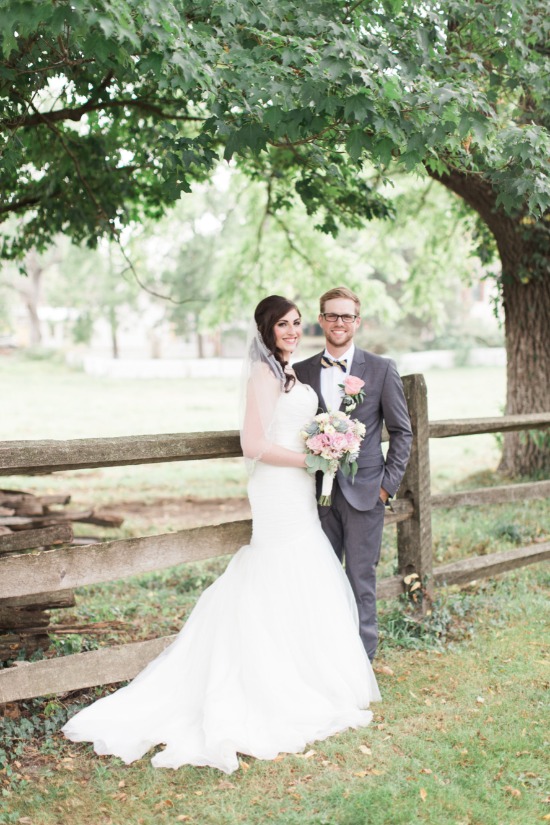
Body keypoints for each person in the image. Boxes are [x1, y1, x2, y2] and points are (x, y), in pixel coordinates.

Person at [62, 295, 380, 774]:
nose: (292, 331)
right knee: (277, 564)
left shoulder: (289, 371)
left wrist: (323, 441)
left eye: (296, 323)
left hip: (296, 486)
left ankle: (301, 672)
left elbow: (290, 428)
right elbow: (253, 444)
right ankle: (264, 683)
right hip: (277, 487)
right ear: (266, 330)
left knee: (302, 566)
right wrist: (314, 458)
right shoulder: (263, 374)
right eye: (283, 325)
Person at [294, 287, 413, 663]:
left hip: (366, 493)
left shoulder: (381, 369)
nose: (339, 322)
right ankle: (327, 657)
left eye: (347, 316)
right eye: (332, 315)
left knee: (362, 579)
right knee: (322, 578)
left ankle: (364, 660)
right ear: (321, 319)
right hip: (316, 495)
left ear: (357, 322)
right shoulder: (301, 373)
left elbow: (402, 432)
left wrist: (385, 488)